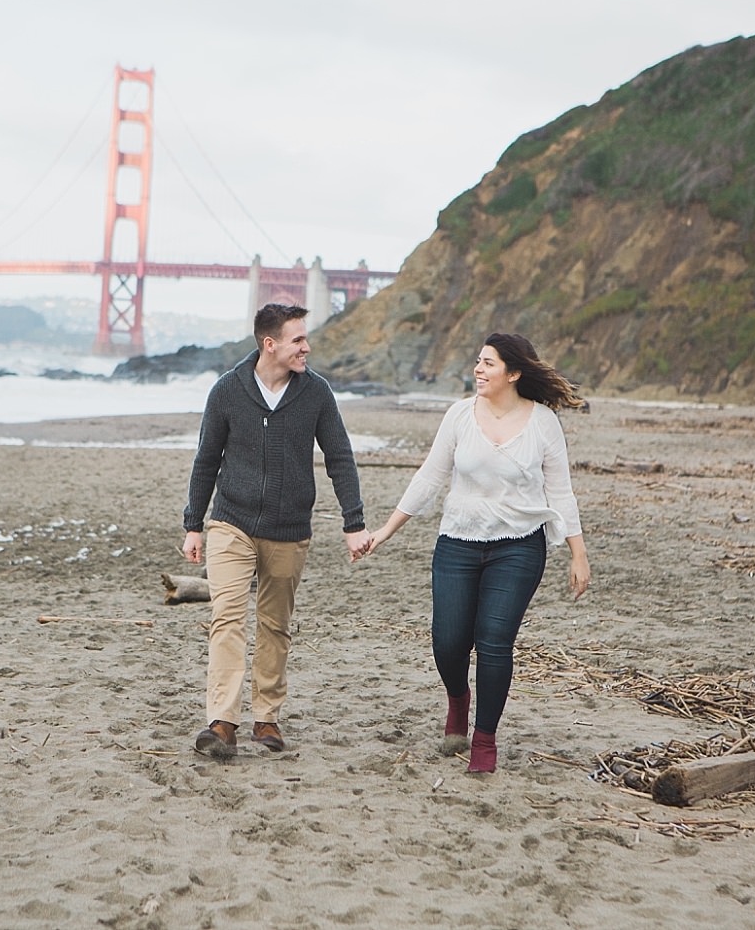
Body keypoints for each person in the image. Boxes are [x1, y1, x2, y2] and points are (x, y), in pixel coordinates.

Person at [366, 333, 590, 774]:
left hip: (520, 547)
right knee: (448, 642)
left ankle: (485, 740)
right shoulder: (459, 416)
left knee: (493, 641)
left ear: (514, 373)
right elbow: (430, 477)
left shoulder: (543, 422)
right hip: (458, 542)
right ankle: (458, 700)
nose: (478, 370)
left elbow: (561, 491)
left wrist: (577, 554)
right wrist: (386, 530)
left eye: (488, 363)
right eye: (478, 361)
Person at [183, 302, 373, 758]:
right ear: (270, 344)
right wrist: (194, 525)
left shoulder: (316, 394)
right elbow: (206, 460)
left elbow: (339, 457)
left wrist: (354, 522)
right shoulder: (227, 391)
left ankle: (266, 717)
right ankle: (222, 722)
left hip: (290, 528)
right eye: (298, 340)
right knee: (227, 617)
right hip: (232, 522)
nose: (307, 347)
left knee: (274, 626)